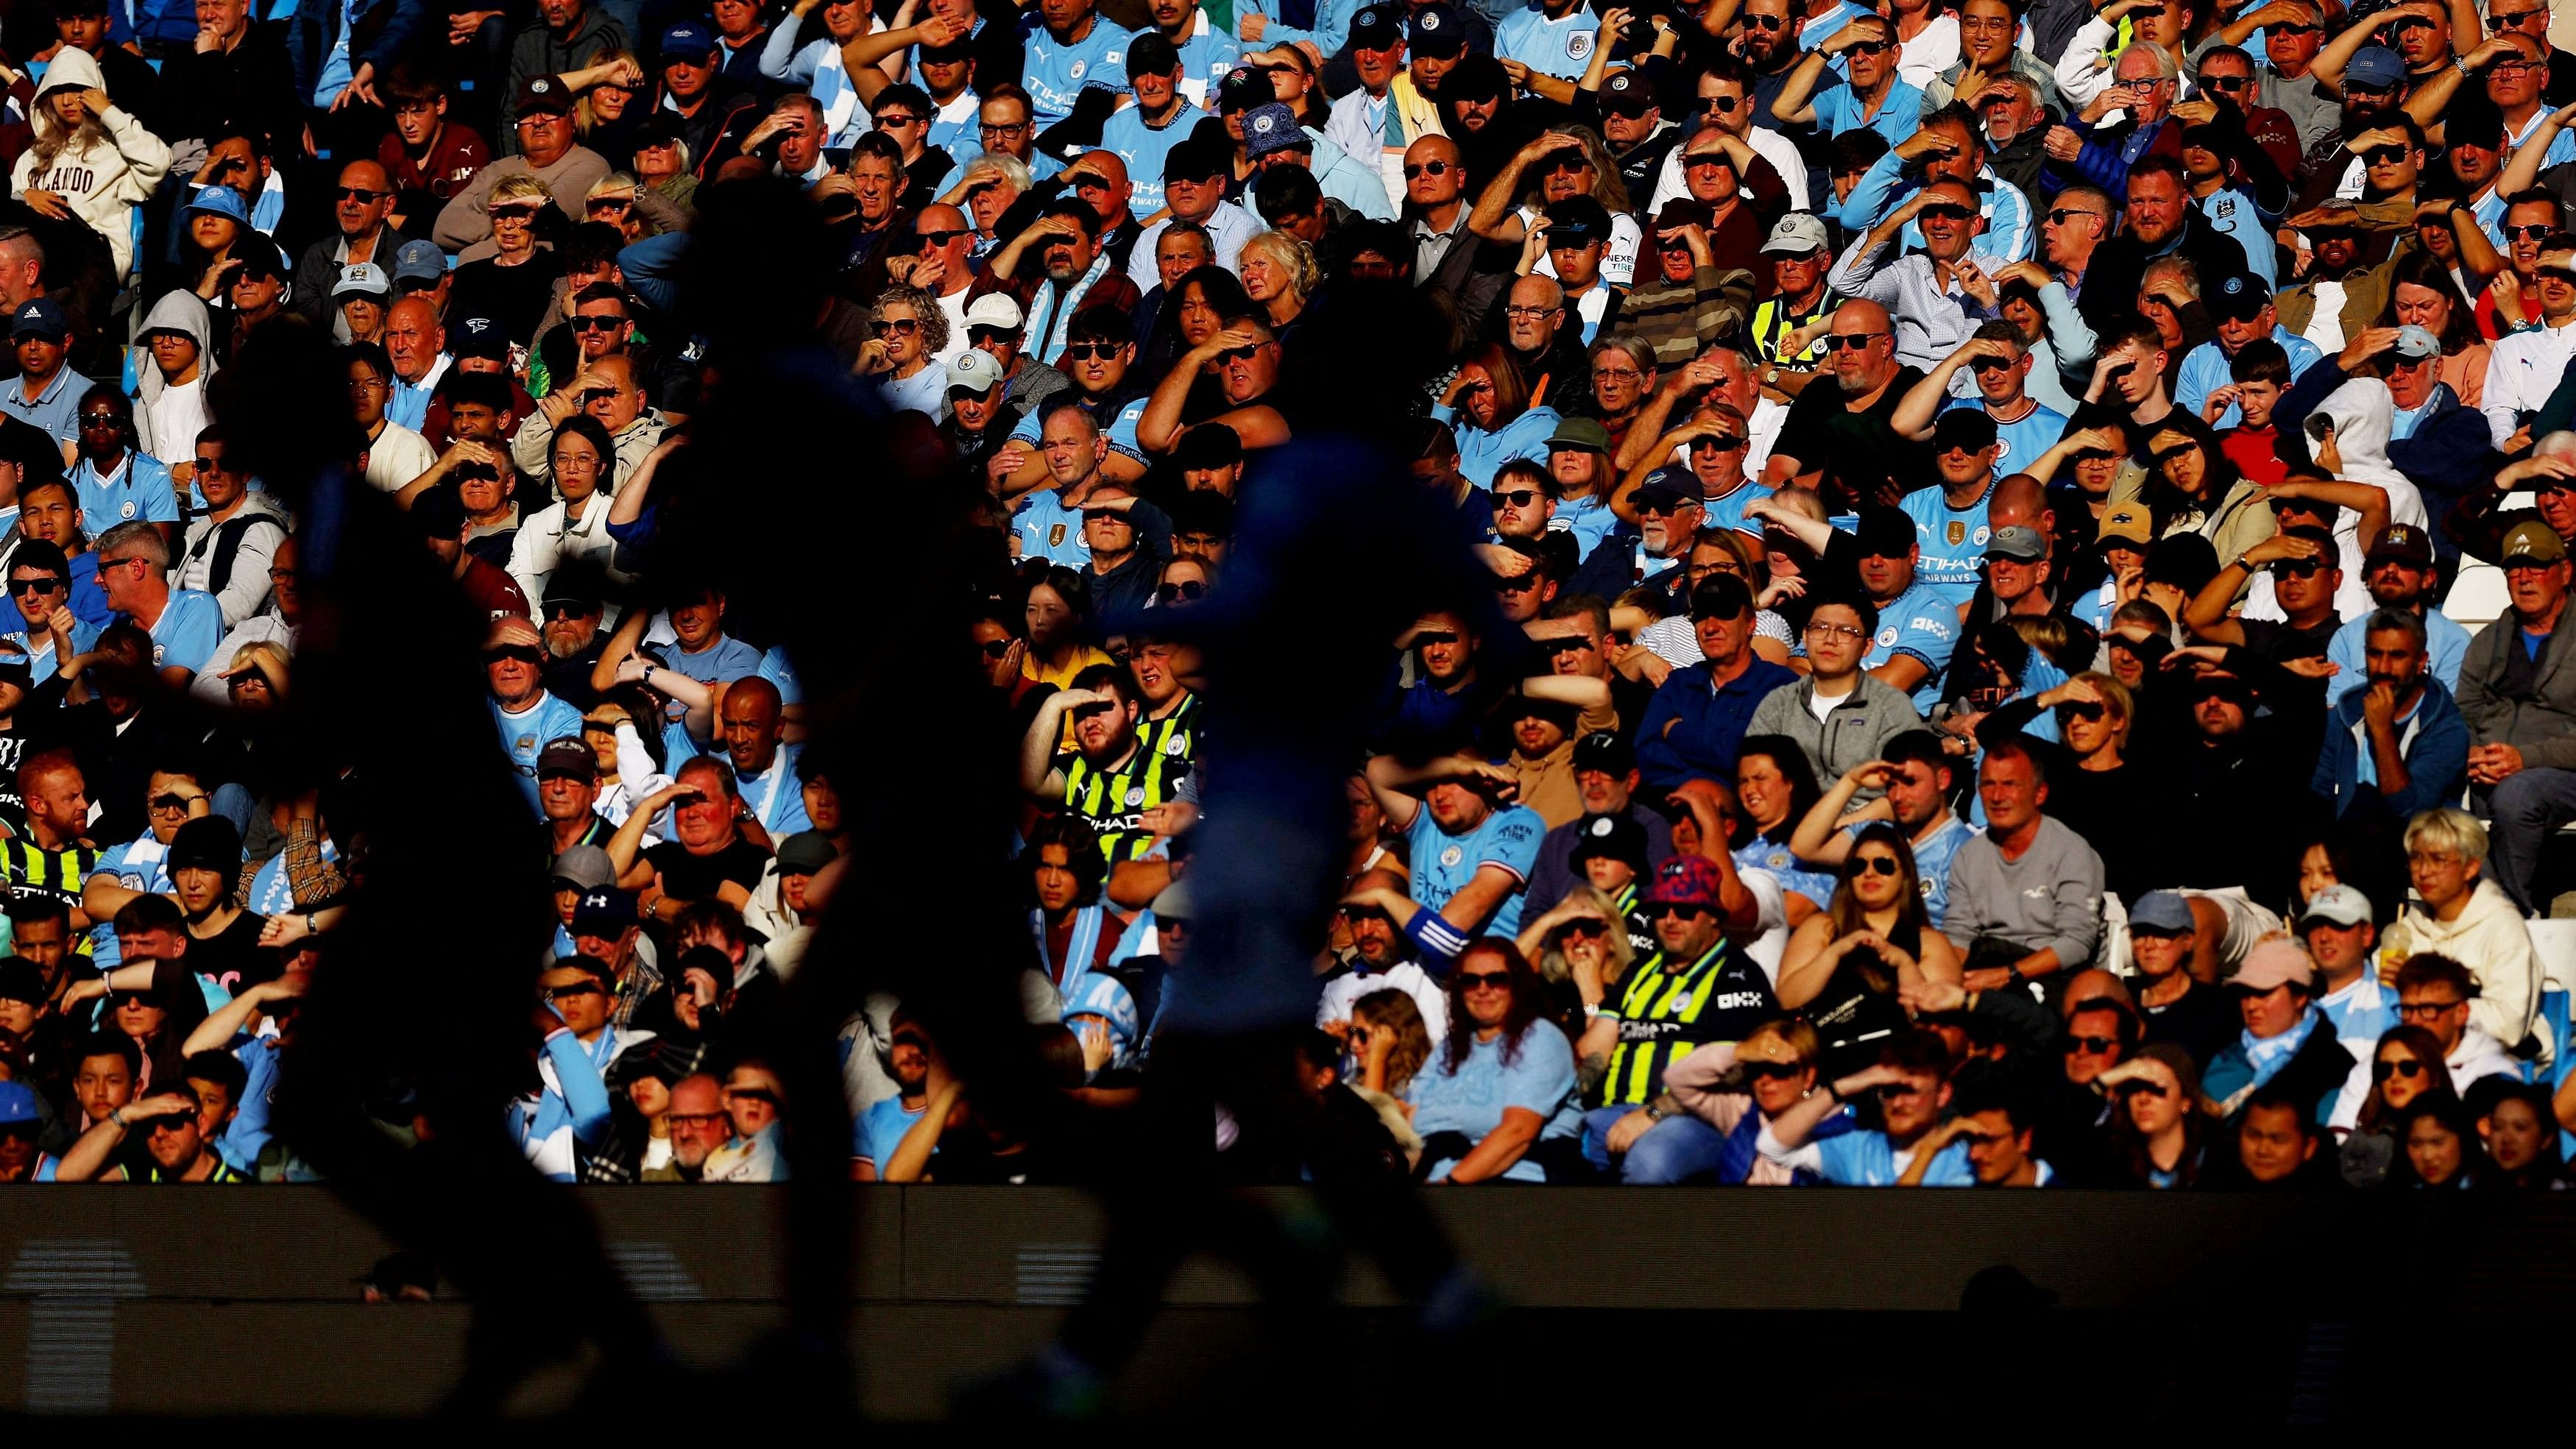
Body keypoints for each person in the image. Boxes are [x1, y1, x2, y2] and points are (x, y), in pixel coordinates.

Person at [2375, 807, 2545, 1069]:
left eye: (2439, 859)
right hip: (2411, 1059)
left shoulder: (2501, 925)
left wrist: (2429, 1001)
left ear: (2470, 868)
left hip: (2488, 1061)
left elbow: (2508, 1022)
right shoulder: (2408, 926)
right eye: (2417, 858)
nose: (2424, 871)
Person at [1407, 939, 1581, 1183]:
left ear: (1517, 985)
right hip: (1435, 1179)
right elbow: (1410, 1121)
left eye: (1496, 980)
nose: (1483, 989)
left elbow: (1518, 1132)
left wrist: (1449, 1184)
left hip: (1513, 1182)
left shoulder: (1541, 1038)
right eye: (1470, 981)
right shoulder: (1449, 1049)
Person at [1942, 739, 2103, 994]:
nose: (1997, 796)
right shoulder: (1969, 856)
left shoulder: (2071, 852)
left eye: (2010, 785)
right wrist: (1948, 981)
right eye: (1988, 784)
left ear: (2040, 793)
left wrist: (2007, 975)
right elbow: (1959, 934)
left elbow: (2076, 942)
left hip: (2050, 978)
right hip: (1985, 971)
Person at [2201, 937, 2357, 1127]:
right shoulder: (2222, 1053)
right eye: (2244, 994)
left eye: (2263, 993)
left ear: (2300, 997)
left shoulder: (2335, 1068)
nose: (2251, 1005)